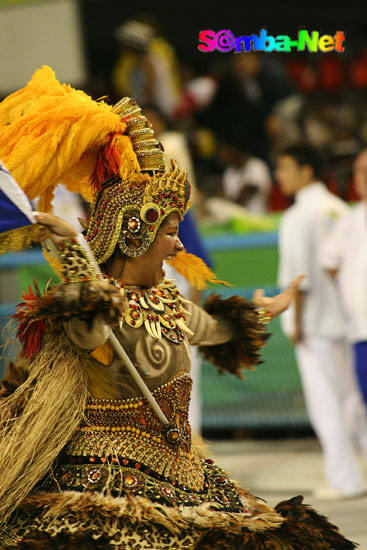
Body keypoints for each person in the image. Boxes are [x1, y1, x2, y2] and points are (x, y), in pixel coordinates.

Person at [0, 67, 356, 549]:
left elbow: (217, 331)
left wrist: (260, 309)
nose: (175, 248)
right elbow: (90, 318)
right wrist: (71, 247)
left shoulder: (168, 305)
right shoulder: (99, 311)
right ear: (134, 235)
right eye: (169, 234)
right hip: (107, 478)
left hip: (186, 469)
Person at [276, 143, 367, 499]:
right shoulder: (338, 207)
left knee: (326, 404)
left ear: (307, 170)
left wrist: (296, 322)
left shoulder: (299, 215)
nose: (279, 176)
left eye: (285, 167)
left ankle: (345, 479)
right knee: (352, 401)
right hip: (346, 321)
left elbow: (300, 277)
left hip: (314, 322)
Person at [320, 149, 367, 404]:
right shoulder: (348, 221)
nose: (364, 177)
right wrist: (349, 287)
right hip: (361, 333)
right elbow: (329, 262)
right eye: (360, 171)